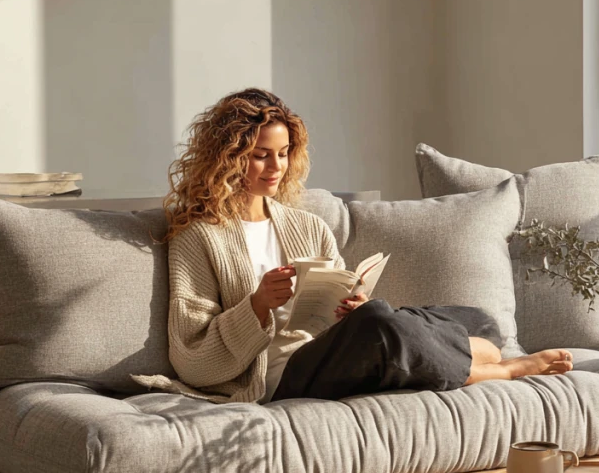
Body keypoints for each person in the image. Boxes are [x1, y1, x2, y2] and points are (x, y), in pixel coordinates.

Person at [154, 88, 573, 406]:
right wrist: (257, 305)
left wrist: (350, 305)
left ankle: (439, 348)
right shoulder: (198, 237)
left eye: (283, 153)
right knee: (380, 325)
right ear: (229, 157)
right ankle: (499, 370)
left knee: (478, 320)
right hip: (276, 376)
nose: (276, 167)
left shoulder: (306, 225)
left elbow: (339, 311)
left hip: (336, 349)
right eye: (261, 155)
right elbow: (192, 359)